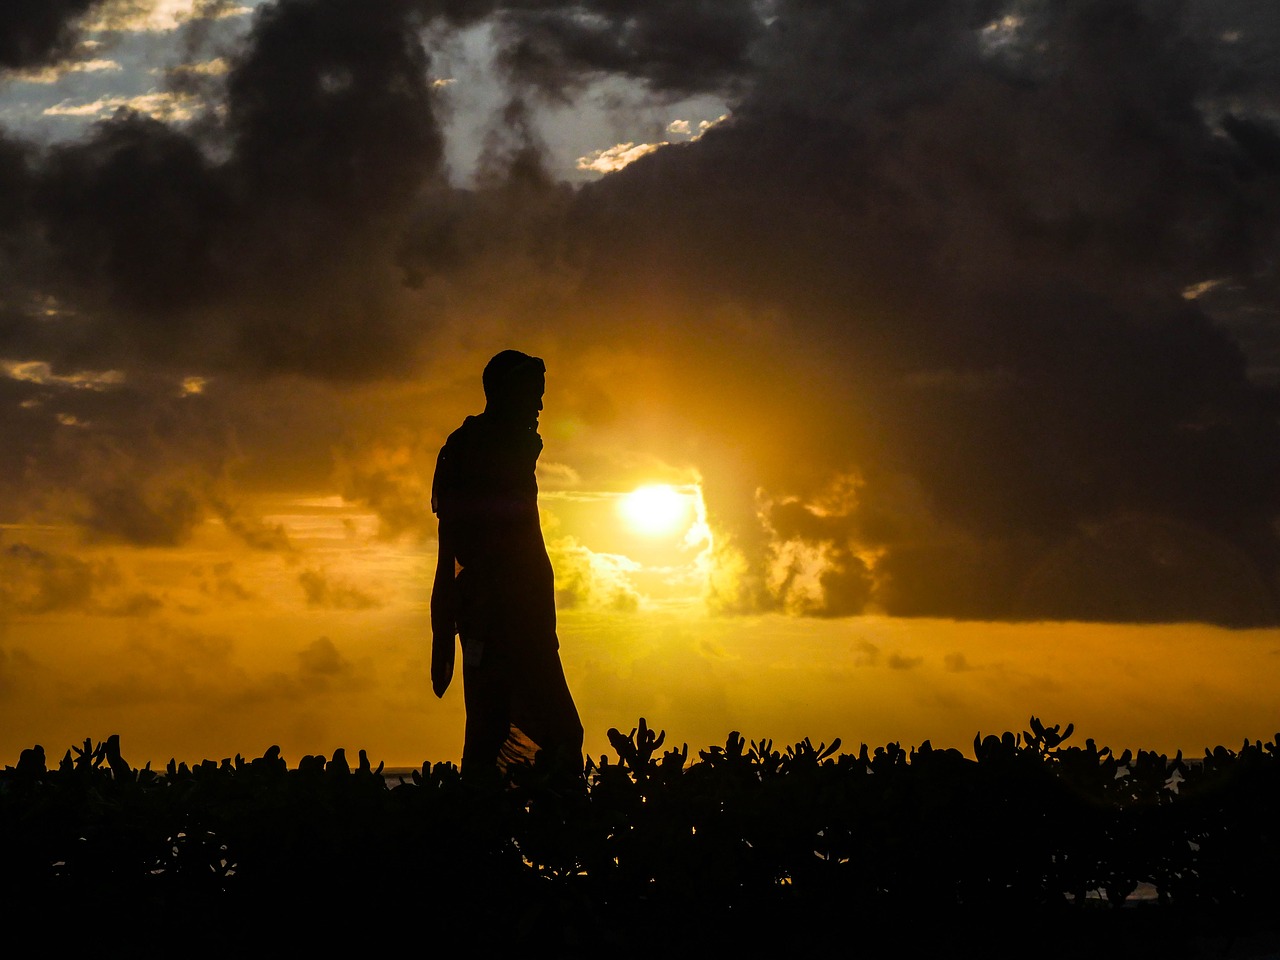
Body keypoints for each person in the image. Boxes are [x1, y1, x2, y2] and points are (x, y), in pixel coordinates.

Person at [430, 350, 583, 780]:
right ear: (504, 394)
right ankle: (507, 833)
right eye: (532, 396)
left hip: (523, 612)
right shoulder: (475, 453)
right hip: (498, 615)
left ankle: (494, 831)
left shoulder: (502, 450)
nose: (539, 407)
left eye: (541, 396)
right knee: (542, 731)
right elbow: (451, 550)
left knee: (498, 729)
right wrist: (442, 630)